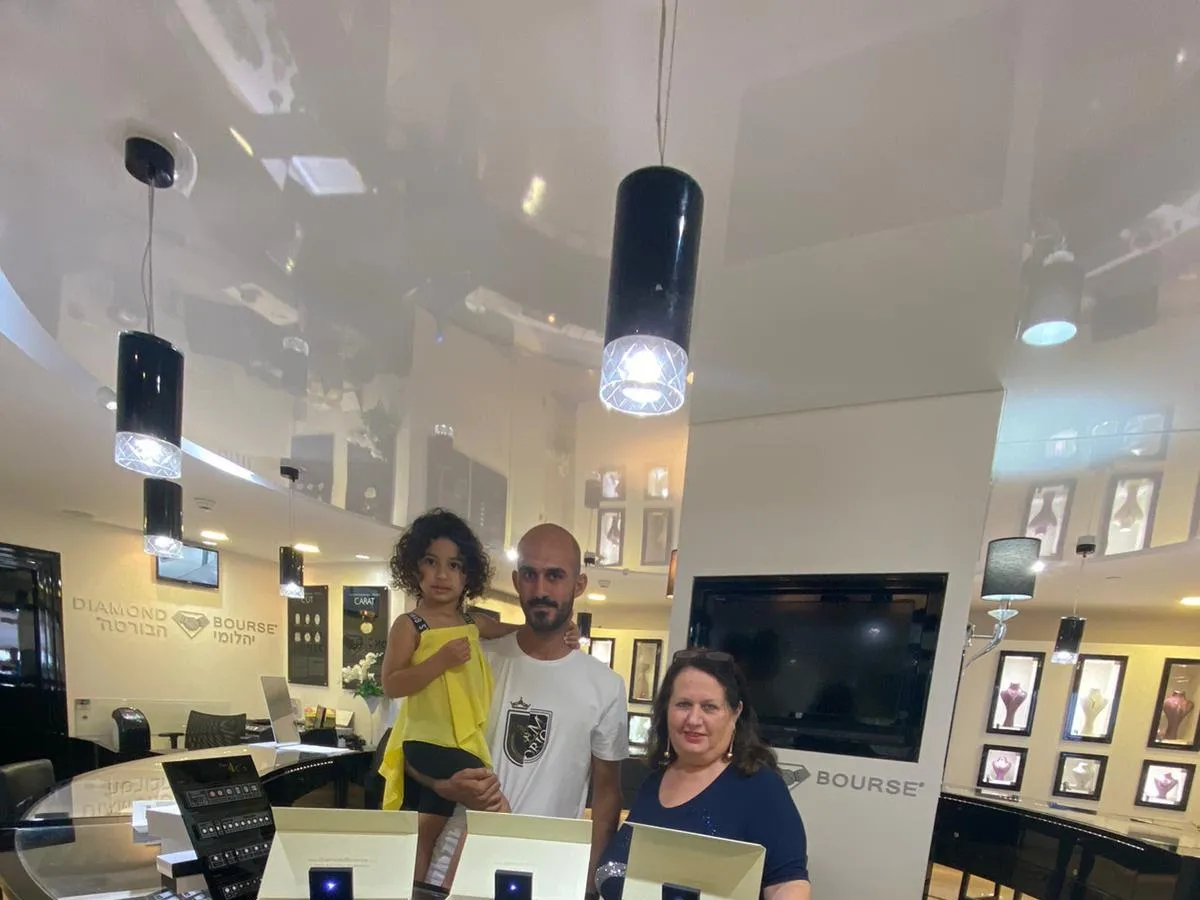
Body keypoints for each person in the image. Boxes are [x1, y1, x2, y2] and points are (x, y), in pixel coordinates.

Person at [407, 523, 629, 889]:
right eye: (529, 574)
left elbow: (607, 794)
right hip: (459, 862)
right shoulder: (471, 659)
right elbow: (411, 748)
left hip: (550, 871)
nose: (540, 590)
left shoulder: (605, 686)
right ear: (516, 580)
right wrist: (444, 784)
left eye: (555, 576)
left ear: (578, 585)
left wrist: (590, 883)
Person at [376, 510, 579, 883]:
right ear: (414, 567)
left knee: (427, 831)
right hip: (430, 742)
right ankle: (457, 887)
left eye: (454, 565)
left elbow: (523, 630)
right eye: (431, 562)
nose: (442, 575)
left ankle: (418, 891)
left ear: (467, 574)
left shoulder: (472, 623)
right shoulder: (410, 625)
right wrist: (439, 661)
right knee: (493, 810)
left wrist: (565, 631)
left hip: (458, 741)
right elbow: (390, 684)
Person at [596, 649, 811, 900]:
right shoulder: (653, 783)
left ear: (735, 712)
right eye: (683, 704)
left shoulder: (761, 788)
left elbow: (788, 885)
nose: (693, 719)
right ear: (666, 710)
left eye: (709, 707)